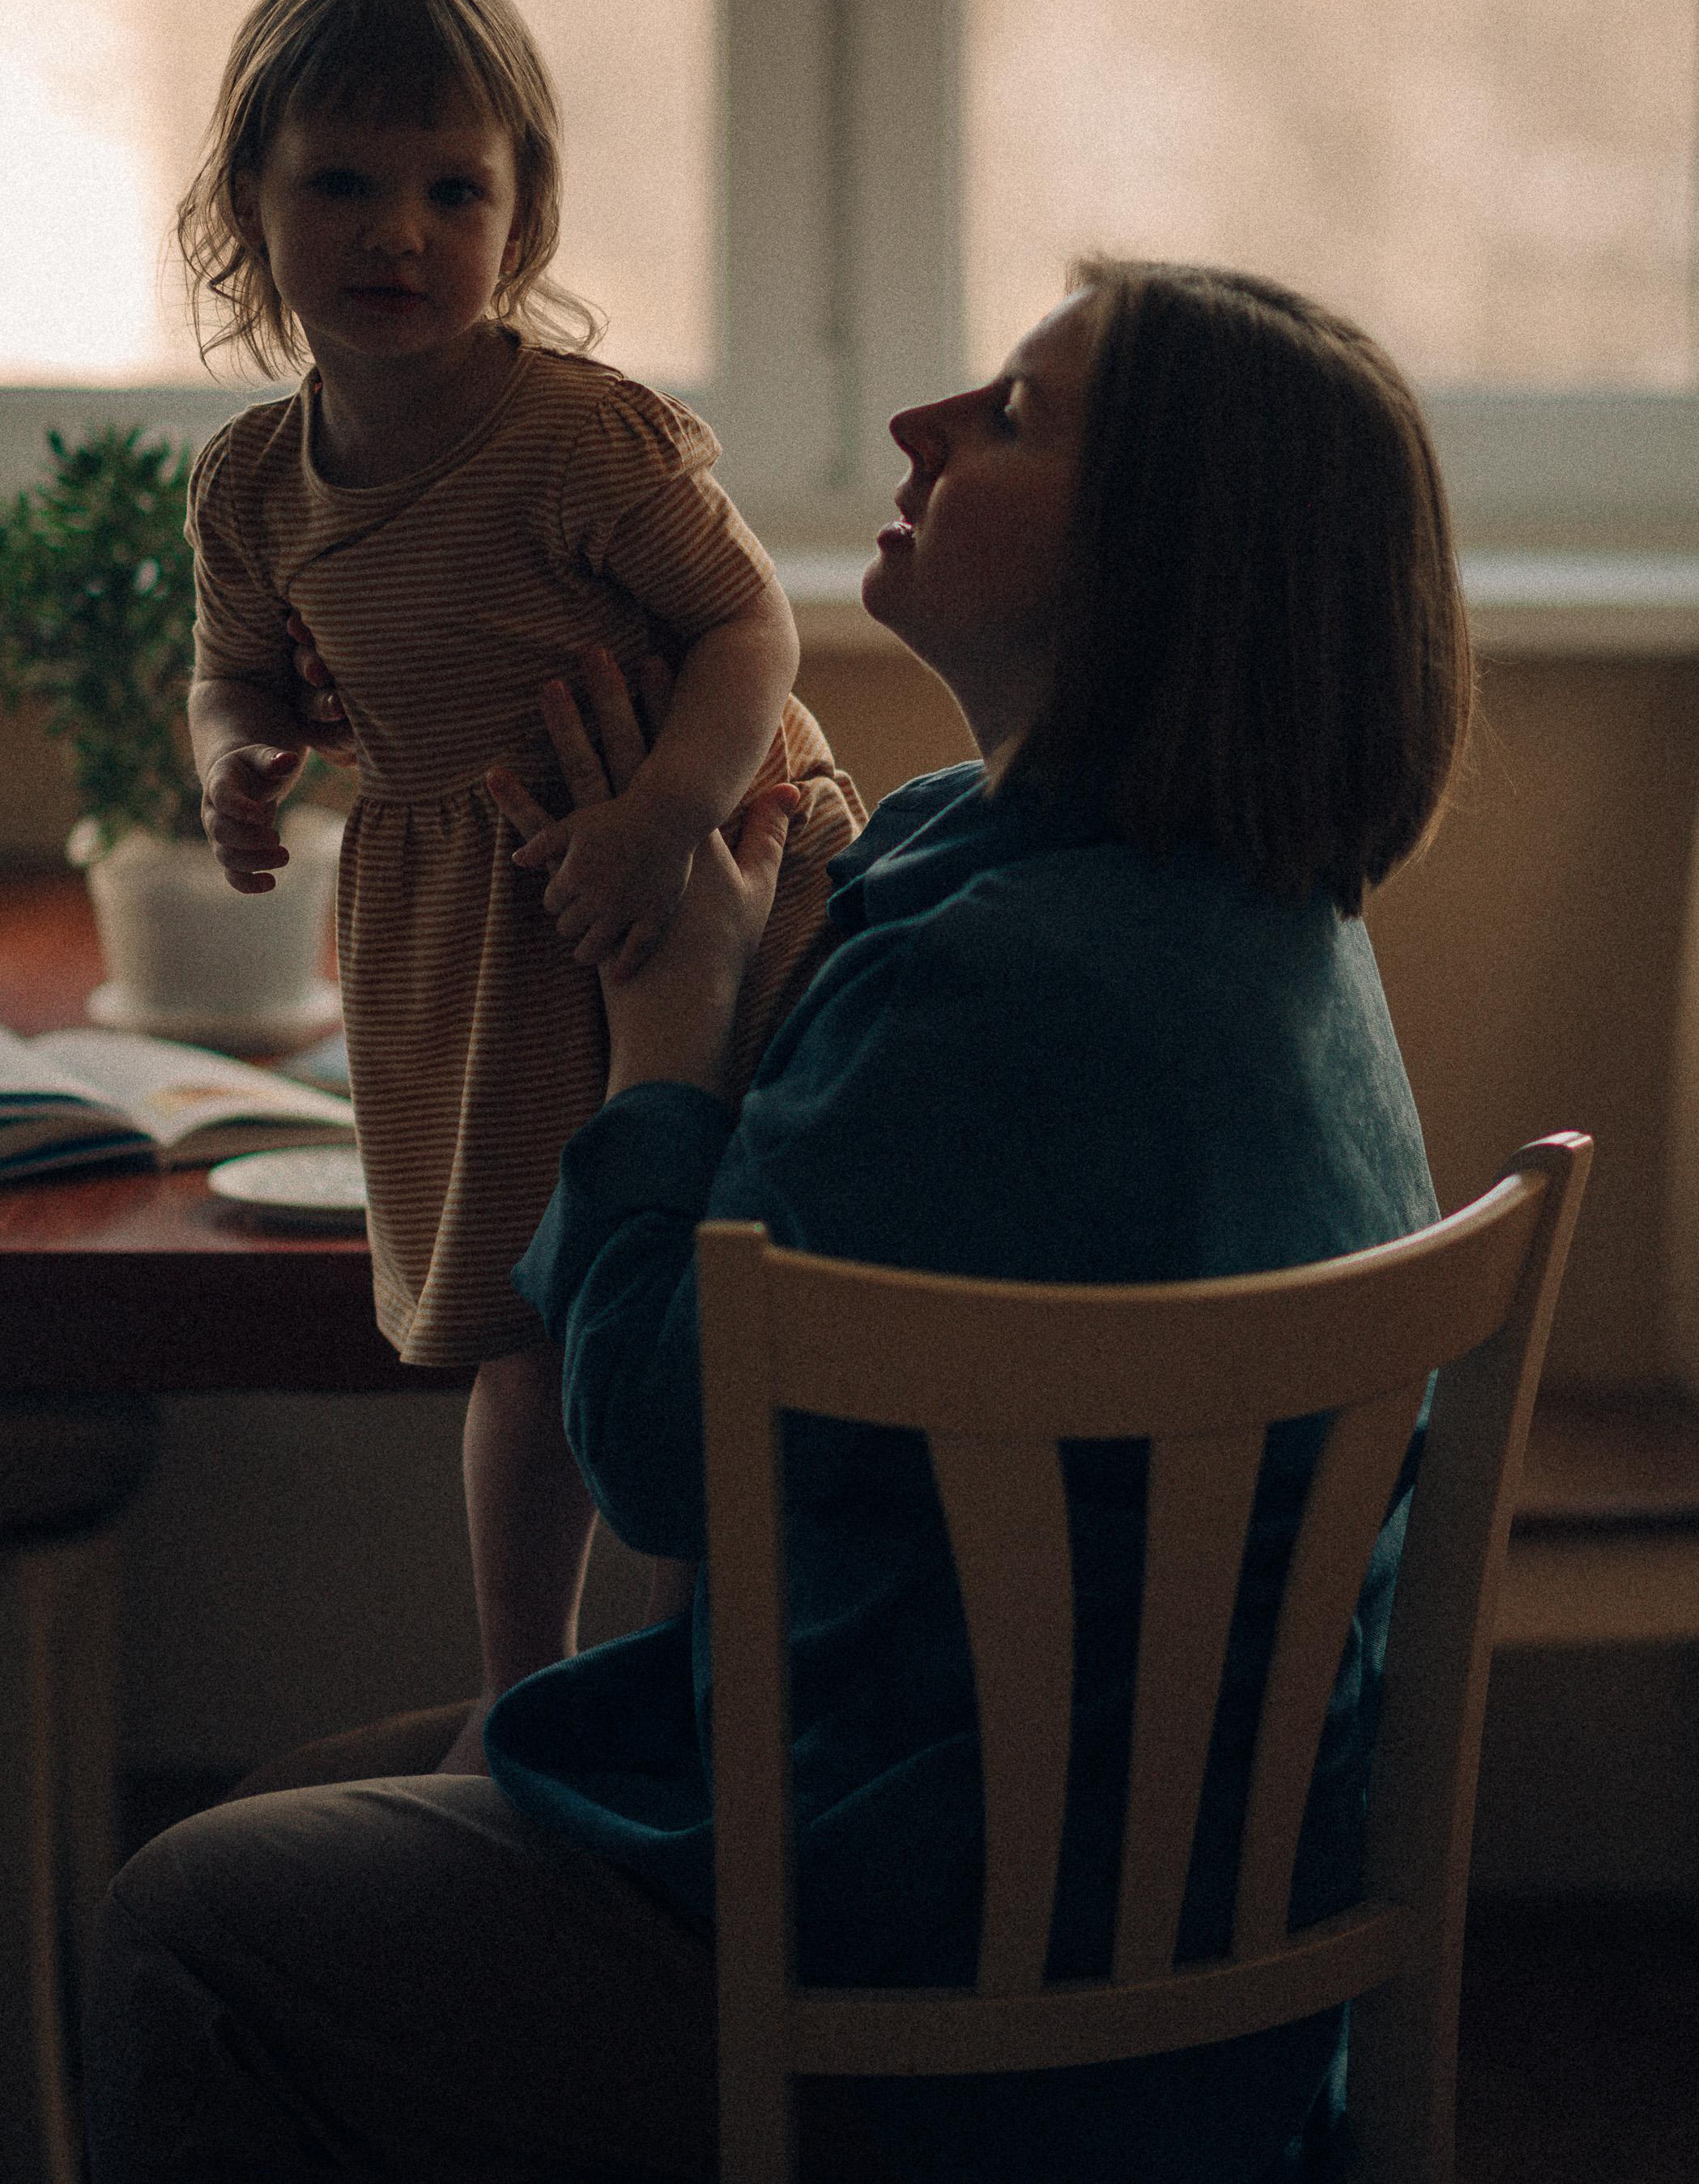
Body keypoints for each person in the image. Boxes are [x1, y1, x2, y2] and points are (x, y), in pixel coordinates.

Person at [86, 259, 1472, 2182]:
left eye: (1009, 414)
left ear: (1170, 558)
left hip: (934, 1954)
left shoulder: (1003, 986)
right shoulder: (1246, 918)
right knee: (307, 1804)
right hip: (1181, 1925)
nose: (919, 426)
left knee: (187, 1921)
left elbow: (660, 1449)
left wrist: (664, 1043)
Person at [177, 0, 862, 1769]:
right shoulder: (251, 481)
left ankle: (706, 1678)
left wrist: (657, 819)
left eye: (451, 188)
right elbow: (233, 675)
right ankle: (520, 1691)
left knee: (723, 1288)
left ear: (522, 212)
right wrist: (241, 765)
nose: (397, 230)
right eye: (342, 183)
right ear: (248, 204)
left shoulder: (575, 439)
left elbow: (751, 633)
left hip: (695, 872)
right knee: (524, 1311)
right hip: (468, 930)